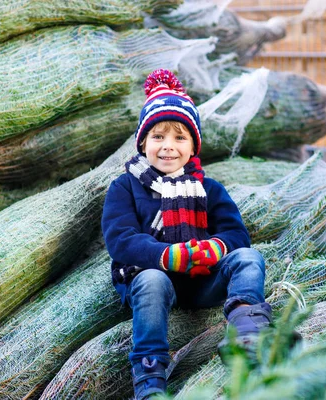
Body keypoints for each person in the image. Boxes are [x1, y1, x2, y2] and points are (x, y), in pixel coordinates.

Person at [101, 69, 272, 400]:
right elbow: (120, 239)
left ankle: (249, 330)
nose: (168, 147)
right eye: (158, 137)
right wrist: (166, 255)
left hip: (201, 279)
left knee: (249, 259)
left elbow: (236, 234)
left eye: (180, 138)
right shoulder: (126, 187)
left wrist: (213, 248)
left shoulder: (208, 188)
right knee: (152, 282)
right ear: (143, 142)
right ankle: (150, 377)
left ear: (193, 145)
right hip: (155, 278)